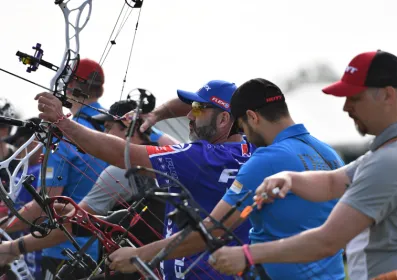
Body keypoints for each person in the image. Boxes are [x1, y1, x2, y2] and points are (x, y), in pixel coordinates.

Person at [106, 78, 346, 280]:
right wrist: (157, 115)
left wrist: (140, 255)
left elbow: (212, 230)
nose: (242, 135)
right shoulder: (327, 154)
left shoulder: (265, 160)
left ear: (251, 117)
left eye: (240, 124)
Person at [32, 79, 255, 279]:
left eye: (197, 110)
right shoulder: (255, 151)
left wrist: (62, 121)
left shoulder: (203, 157)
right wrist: (156, 115)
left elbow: (123, 154)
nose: (188, 115)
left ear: (224, 119)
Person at [210, 50, 397, 280]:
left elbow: (327, 241)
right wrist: (290, 178)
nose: (346, 107)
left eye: (355, 97)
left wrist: (248, 254)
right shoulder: (383, 154)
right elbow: (332, 182)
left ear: (388, 95)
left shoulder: (388, 161)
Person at [0, 58, 109, 280]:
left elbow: (44, 207)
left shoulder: (62, 136)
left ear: (71, 86)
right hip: (102, 251)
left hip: (64, 253)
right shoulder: (112, 128)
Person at [5, 117, 43, 280]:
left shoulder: (33, 172)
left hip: (34, 248)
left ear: (35, 143)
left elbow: (13, 211)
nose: (17, 150)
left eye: (21, 143)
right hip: (27, 244)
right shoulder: (25, 171)